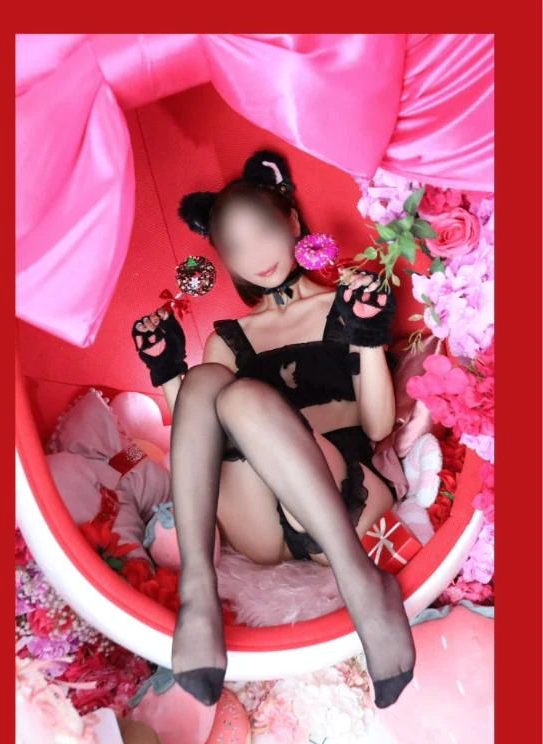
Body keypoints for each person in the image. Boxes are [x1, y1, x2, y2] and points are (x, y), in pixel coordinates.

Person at [131, 149, 416, 710]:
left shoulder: (345, 303)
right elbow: (200, 440)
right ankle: (198, 589)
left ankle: (361, 583)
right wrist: (166, 372)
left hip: (344, 497)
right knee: (207, 381)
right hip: (256, 524)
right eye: (236, 247)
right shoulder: (227, 337)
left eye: (262, 233)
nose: (256, 257)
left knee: (241, 395)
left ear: (292, 221)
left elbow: (379, 425)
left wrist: (366, 337)